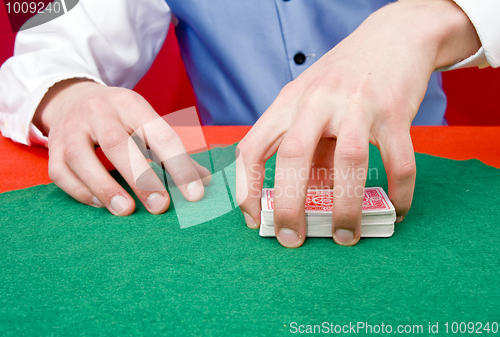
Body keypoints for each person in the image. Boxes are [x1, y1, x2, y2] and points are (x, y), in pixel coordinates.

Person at [0, 0, 498, 248]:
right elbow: (51, 41)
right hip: (224, 184)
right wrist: (67, 93)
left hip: (428, 163)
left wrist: (429, 18)